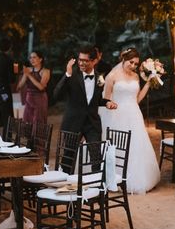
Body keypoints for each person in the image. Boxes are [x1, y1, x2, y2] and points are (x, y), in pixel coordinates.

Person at [101, 47, 161, 194]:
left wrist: (148, 83)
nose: (133, 66)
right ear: (123, 59)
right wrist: (111, 106)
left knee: (136, 146)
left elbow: (137, 98)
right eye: (131, 63)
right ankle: (113, 178)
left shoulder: (135, 77)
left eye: (136, 64)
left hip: (134, 114)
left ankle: (137, 179)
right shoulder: (112, 76)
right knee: (117, 147)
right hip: (116, 115)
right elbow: (105, 99)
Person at [53, 45, 117, 171]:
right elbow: (56, 95)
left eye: (85, 60)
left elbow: (95, 100)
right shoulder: (72, 75)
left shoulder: (99, 77)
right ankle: (64, 186)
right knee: (68, 158)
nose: (81, 63)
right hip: (73, 122)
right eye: (80, 59)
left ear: (94, 61)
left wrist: (107, 103)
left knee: (96, 157)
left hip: (92, 123)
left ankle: (97, 186)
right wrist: (67, 74)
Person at [17, 50, 50, 125]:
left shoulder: (46, 71)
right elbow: (19, 86)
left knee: (38, 122)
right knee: (27, 121)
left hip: (40, 99)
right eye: (30, 58)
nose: (31, 59)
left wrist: (28, 75)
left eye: (34, 57)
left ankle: (38, 136)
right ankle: (28, 137)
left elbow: (41, 87)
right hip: (29, 99)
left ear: (40, 59)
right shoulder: (28, 70)